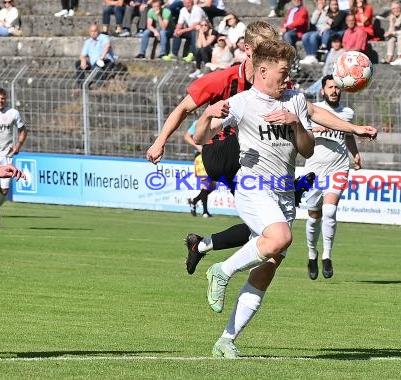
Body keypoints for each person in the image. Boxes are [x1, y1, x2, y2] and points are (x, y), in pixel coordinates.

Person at [144, 21, 376, 276]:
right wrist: (160, 141)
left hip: (252, 161)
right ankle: (292, 191)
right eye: (264, 48)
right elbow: (183, 108)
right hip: (222, 151)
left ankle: (201, 245)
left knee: (269, 230)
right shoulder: (225, 78)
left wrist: (352, 128)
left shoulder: (278, 84)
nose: (271, 54)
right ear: (247, 49)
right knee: (257, 142)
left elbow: (311, 110)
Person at [195, 39, 315, 358]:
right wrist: (207, 116)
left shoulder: (296, 101)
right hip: (253, 185)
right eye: (283, 72)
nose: (287, 79)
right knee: (280, 237)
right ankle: (221, 270)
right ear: (263, 70)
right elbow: (197, 137)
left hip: (284, 192)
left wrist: (296, 123)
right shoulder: (243, 102)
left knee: (268, 265)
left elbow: (307, 149)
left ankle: (226, 340)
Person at [302, 75, 361, 280]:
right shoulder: (312, 110)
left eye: (337, 87)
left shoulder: (347, 113)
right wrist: (313, 129)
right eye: (330, 87)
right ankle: (312, 253)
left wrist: (355, 154)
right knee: (313, 217)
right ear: (323, 90)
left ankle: (327, 256)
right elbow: (298, 134)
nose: (334, 91)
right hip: (314, 169)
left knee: (330, 210)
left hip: (338, 167)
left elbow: (349, 135)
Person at [0, 87, 27, 228]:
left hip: (6, 157)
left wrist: (18, 145)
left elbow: (23, 131)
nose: (0, 101)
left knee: (4, 191)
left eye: (2, 98)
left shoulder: (13, 113)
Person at [184, 119, 216, 217]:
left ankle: (194, 201)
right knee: (205, 184)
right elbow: (186, 136)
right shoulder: (199, 122)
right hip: (202, 156)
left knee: (212, 185)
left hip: (213, 156)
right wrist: (198, 146)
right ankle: (205, 212)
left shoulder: (218, 121)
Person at [76, 23, 116, 87]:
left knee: (98, 63)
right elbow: (82, 55)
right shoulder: (88, 42)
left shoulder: (104, 37)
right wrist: (83, 60)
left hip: (106, 61)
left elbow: (107, 46)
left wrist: (101, 58)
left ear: (98, 31)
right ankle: (81, 84)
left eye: (95, 31)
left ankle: (100, 84)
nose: (93, 33)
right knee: (78, 63)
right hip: (93, 65)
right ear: (89, 32)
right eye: (91, 31)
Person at [299, 0, 330, 65]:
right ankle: (308, 55)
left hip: (324, 30)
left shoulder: (328, 9)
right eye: (320, 1)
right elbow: (313, 22)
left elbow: (327, 20)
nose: (321, 2)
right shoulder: (316, 11)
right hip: (316, 30)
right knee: (305, 36)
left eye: (323, 1)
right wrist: (318, 13)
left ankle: (313, 55)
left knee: (313, 36)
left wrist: (322, 11)